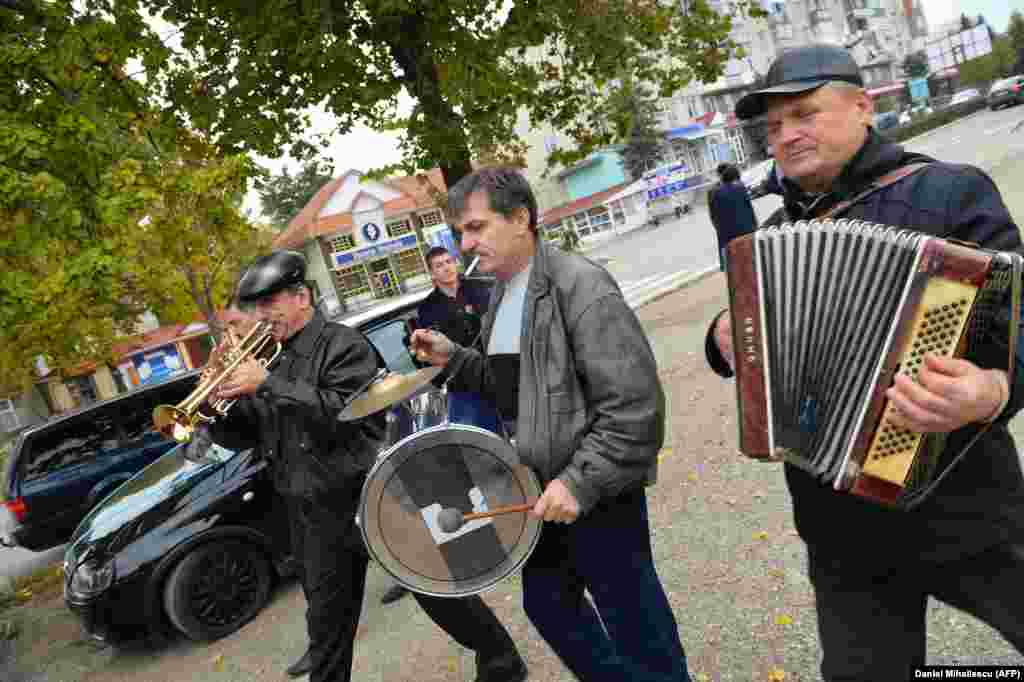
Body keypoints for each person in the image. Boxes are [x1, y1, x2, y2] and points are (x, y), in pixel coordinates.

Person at [704, 43, 1024, 681]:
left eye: (804, 114)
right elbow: (743, 338)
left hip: (964, 505)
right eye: (773, 127)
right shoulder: (770, 241)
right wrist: (719, 340)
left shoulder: (949, 192)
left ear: (862, 106)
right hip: (841, 530)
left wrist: (993, 390)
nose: (786, 136)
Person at [410, 167, 691, 682]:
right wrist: (454, 357)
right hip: (538, 490)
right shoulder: (503, 291)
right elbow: (511, 384)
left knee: (637, 626)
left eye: (475, 228)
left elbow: (634, 406)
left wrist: (579, 482)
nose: (465, 243)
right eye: (459, 233)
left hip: (595, 491)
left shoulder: (580, 285)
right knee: (548, 606)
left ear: (521, 219)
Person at [206, 251, 527, 682]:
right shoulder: (271, 362)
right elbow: (248, 435)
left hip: (371, 493)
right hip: (313, 512)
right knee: (327, 627)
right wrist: (217, 411)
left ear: (301, 296)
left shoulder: (343, 344)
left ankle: (500, 658)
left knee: (434, 590)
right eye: (257, 308)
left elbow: (346, 412)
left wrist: (268, 385)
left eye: (270, 304)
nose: (262, 317)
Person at [380, 245, 494, 605]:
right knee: (469, 457)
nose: (446, 269)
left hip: (492, 379)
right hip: (460, 389)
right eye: (438, 266)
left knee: (505, 447)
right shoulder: (427, 310)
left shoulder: (482, 288)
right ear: (431, 273)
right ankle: (478, 530)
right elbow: (424, 359)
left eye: (449, 262)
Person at [708, 162, 758, 271]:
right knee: (750, 264)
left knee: (733, 267)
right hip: (747, 232)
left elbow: (713, 216)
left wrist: (720, 230)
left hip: (726, 236)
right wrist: (755, 227)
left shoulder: (713, 192)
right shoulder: (740, 188)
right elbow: (750, 210)